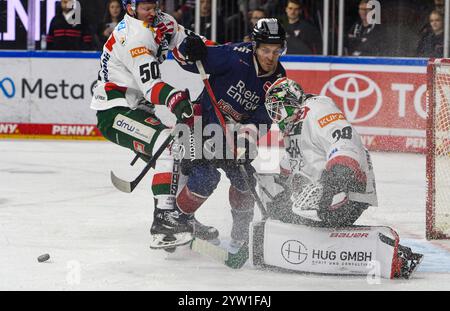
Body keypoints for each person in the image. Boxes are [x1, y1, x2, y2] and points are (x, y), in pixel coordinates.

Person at [249, 77, 423, 279]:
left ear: (293, 101)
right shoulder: (294, 125)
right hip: (323, 188)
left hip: (347, 186)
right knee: (276, 200)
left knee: (310, 215)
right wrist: (280, 190)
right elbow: (295, 161)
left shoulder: (317, 110)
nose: (277, 117)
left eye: (279, 109)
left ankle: (389, 254)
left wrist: (337, 177)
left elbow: (343, 138)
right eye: (273, 112)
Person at [90, 0, 217, 250]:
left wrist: (215, 49)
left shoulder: (162, 22)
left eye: (154, 5)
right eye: (146, 7)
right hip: (115, 111)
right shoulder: (133, 38)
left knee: (180, 151)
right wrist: (174, 98)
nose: (152, 11)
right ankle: (163, 223)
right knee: (167, 146)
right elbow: (152, 86)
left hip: (138, 109)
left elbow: (189, 41)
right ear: (130, 8)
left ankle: (181, 218)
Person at [171, 18, 287, 247]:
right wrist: (188, 48)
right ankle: (179, 222)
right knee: (205, 178)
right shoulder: (233, 56)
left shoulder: (279, 80)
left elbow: (265, 117)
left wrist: (245, 142)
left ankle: (241, 235)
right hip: (200, 127)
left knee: (245, 181)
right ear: (255, 46)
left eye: (276, 51)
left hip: (234, 137)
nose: (270, 57)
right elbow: (185, 60)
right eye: (265, 50)